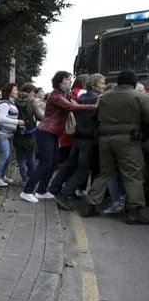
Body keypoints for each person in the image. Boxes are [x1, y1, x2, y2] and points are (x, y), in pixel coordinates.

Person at [83, 69, 149, 224]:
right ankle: (133, 212)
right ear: (133, 82)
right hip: (128, 140)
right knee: (133, 174)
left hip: (105, 138)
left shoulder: (104, 97)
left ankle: (90, 205)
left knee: (104, 172)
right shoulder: (139, 96)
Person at [20, 71, 96, 203]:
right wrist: (94, 106)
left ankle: (42, 191)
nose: (70, 81)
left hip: (53, 133)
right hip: (46, 132)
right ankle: (27, 191)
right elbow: (71, 107)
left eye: (70, 79)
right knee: (45, 163)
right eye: (67, 79)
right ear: (60, 81)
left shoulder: (63, 94)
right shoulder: (56, 95)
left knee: (53, 163)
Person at [50, 74, 105, 210]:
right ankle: (63, 195)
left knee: (69, 164)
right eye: (102, 83)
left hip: (78, 137)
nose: (104, 85)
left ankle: (53, 188)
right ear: (94, 85)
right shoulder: (98, 99)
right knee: (83, 170)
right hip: (89, 139)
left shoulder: (81, 98)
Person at [0, 83, 25, 186]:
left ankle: (2, 176)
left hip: (10, 134)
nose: (17, 92)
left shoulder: (12, 103)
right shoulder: (5, 104)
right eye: (15, 90)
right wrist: (17, 122)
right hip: (3, 134)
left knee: (8, 156)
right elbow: (1, 119)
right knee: (4, 155)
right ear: (9, 91)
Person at [14, 83, 45, 185]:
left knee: (21, 158)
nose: (34, 94)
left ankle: (24, 180)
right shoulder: (31, 101)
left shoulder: (15, 100)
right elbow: (39, 116)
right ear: (29, 91)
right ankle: (30, 179)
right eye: (33, 92)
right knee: (31, 157)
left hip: (17, 132)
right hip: (30, 132)